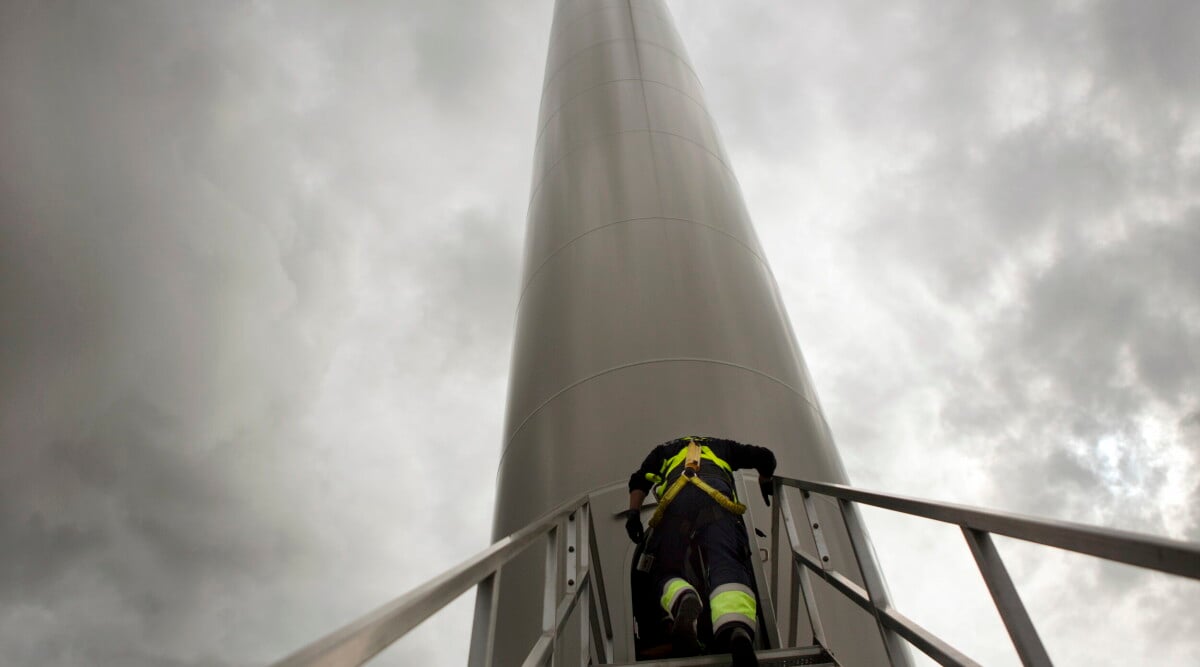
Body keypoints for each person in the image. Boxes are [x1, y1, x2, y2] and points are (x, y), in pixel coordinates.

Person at [620, 435, 776, 667]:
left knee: (663, 570)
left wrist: (633, 514)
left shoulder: (663, 450)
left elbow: (639, 480)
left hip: (676, 506)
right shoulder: (723, 446)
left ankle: (683, 596)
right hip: (717, 503)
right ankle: (736, 629)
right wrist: (765, 480)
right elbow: (766, 457)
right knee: (727, 564)